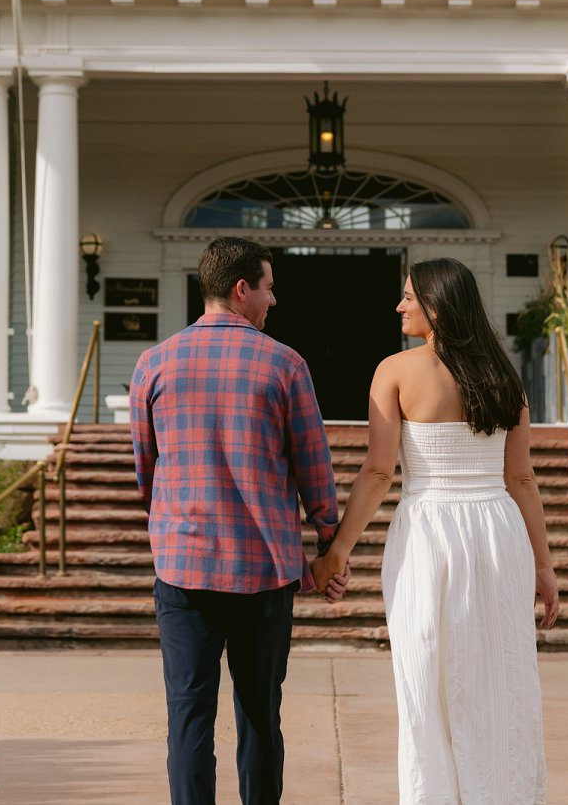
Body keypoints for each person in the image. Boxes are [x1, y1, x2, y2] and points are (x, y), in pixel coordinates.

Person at [312, 257, 560, 805]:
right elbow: (520, 478)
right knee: (499, 678)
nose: (399, 306)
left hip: (429, 532)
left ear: (437, 305)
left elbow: (378, 473)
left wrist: (337, 552)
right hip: (498, 532)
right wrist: (543, 566)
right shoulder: (506, 376)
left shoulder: (395, 371)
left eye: (408, 297)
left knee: (424, 677)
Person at [130, 236, 347, 805]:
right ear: (241, 288)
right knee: (259, 716)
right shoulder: (284, 364)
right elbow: (313, 467)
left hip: (183, 567)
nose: (274, 301)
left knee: (188, 717)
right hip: (264, 572)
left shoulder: (153, 363)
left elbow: (144, 467)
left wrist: (171, 523)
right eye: (269, 287)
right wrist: (329, 541)